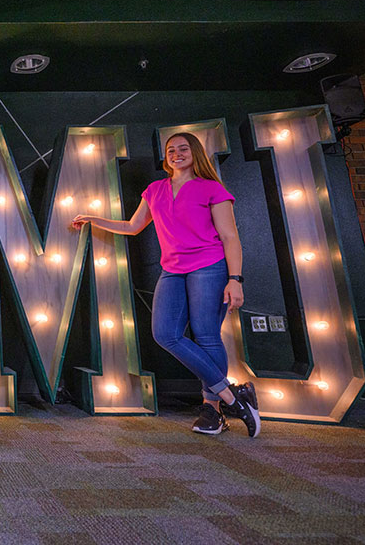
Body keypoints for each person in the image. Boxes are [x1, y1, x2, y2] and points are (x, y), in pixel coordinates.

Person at [71, 131, 260, 437]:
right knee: (165, 334)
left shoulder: (211, 189)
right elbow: (132, 227)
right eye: (171, 150)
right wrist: (93, 218)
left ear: (195, 153)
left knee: (206, 336)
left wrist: (235, 279)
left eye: (183, 149)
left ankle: (213, 412)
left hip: (209, 266)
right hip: (172, 270)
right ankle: (233, 396)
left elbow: (230, 237)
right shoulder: (155, 189)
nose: (176, 154)